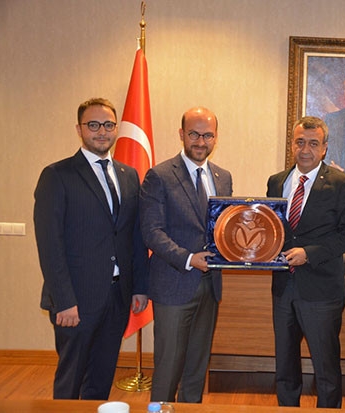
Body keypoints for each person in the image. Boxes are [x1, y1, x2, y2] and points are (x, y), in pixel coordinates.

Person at [33, 98, 149, 399]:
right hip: (76, 300)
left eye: (108, 125)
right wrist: (64, 301)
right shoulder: (57, 175)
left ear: (116, 129)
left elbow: (134, 236)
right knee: (70, 381)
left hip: (118, 296)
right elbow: (50, 245)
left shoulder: (128, 175)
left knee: (101, 379)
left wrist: (139, 287)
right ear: (79, 129)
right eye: (93, 125)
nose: (102, 131)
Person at [267, 116, 345, 408]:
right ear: (292, 145)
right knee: (284, 367)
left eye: (313, 143)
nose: (305, 149)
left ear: (324, 148)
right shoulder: (277, 181)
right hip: (283, 288)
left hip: (322, 291)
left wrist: (309, 253)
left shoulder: (342, 183)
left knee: (326, 370)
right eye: (300, 142)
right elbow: (271, 229)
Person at [140, 106, 232, 403]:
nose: (201, 142)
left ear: (216, 137)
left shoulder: (223, 177)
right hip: (174, 284)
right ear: (181, 134)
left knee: (196, 368)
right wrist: (189, 259)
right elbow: (152, 231)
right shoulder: (160, 175)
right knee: (168, 369)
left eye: (208, 135)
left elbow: (225, 227)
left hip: (210, 287)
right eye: (194, 134)